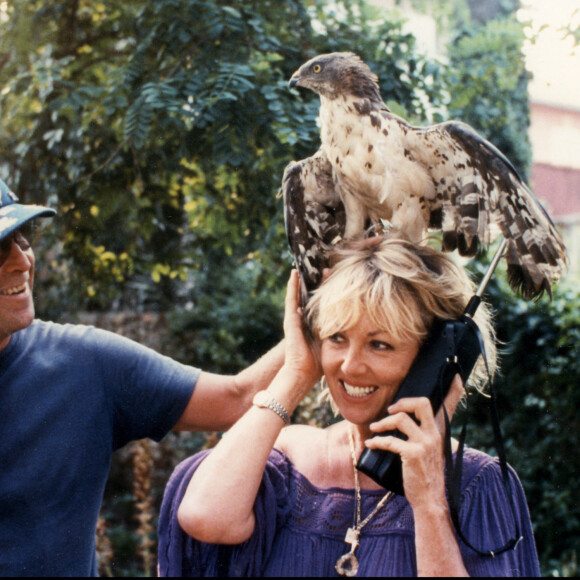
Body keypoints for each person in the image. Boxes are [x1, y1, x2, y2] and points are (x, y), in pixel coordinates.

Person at [158, 236, 540, 577]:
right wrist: (294, 374)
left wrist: (429, 505)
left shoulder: (478, 486)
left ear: (437, 358)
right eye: (337, 338)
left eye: (380, 345)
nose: (350, 366)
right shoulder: (283, 464)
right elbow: (205, 517)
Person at [0, 178, 285, 577]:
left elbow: (238, 398)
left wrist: (322, 315)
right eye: (0, 247)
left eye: (23, 238)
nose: (22, 260)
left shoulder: (84, 364)